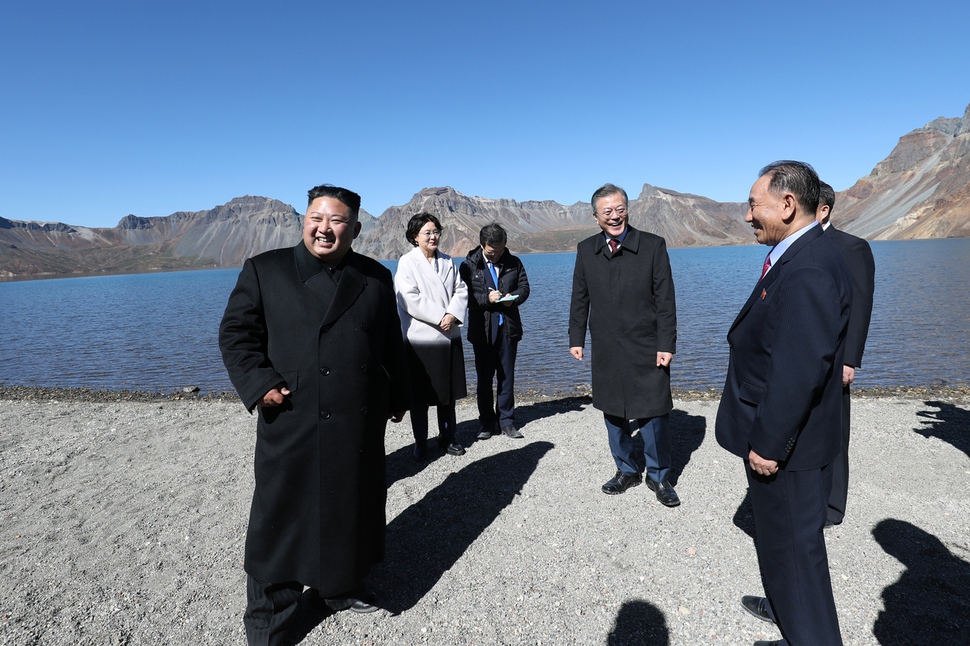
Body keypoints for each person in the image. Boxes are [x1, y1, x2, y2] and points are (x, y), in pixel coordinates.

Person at [219, 184, 410, 646]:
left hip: (356, 420)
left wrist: (398, 395)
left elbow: (389, 343)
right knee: (281, 518)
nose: (324, 228)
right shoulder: (267, 271)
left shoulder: (374, 276)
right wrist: (260, 383)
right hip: (293, 417)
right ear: (304, 221)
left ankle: (339, 588)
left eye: (337, 220)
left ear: (356, 229)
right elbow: (235, 335)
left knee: (351, 507)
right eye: (316, 217)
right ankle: (271, 622)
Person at [715, 161, 851, 646]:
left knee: (794, 562)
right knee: (791, 561)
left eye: (754, 205)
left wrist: (769, 444)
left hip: (786, 450)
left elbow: (800, 369)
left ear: (788, 204)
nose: (748, 216)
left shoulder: (810, 267)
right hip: (791, 443)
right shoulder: (804, 254)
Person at [568, 183, 680, 507]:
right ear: (595, 217)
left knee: (654, 413)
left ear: (628, 210)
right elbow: (580, 298)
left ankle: (659, 477)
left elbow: (666, 301)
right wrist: (576, 338)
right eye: (607, 212)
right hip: (606, 346)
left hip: (646, 344)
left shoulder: (653, 246)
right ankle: (626, 470)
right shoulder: (586, 250)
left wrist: (666, 343)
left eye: (620, 210)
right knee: (613, 412)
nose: (615, 216)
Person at [816, 180, 876, 527]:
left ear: (823, 210)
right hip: (801, 355)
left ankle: (833, 506)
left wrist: (850, 359)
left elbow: (861, 305)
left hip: (836, 356)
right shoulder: (792, 245)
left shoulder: (853, 248)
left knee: (835, 430)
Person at [394, 212, 469, 458]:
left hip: (448, 336)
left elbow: (461, 290)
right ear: (415, 237)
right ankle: (420, 442)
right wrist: (440, 316)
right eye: (427, 232)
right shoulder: (407, 263)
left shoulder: (448, 261)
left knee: (447, 394)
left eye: (436, 231)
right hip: (421, 339)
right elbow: (408, 298)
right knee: (420, 395)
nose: (433, 236)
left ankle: (448, 438)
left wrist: (452, 315)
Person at [459, 223, 531, 440]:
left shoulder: (514, 262)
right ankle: (487, 424)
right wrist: (486, 299)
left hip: (508, 329)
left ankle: (507, 421)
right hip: (482, 331)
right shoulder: (468, 266)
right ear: (482, 245)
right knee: (484, 378)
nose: (497, 255)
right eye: (492, 251)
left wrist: (514, 299)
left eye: (500, 250)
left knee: (507, 376)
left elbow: (524, 288)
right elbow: (464, 298)